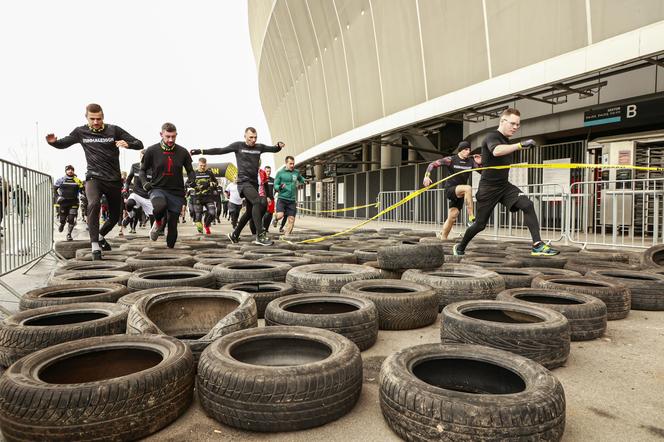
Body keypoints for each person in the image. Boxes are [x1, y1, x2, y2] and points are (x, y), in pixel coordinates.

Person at [452, 108, 559, 257]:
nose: (515, 127)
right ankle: (460, 247)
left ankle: (537, 245)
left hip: (504, 186)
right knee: (480, 225)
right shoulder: (492, 136)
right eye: (513, 123)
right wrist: (520, 145)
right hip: (488, 188)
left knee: (527, 205)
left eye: (518, 125)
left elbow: (495, 155)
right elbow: (496, 151)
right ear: (502, 121)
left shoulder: (506, 141)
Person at [46, 103, 143, 260]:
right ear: (87, 118)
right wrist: (53, 142)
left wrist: (129, 144)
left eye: (99, 118)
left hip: (113, 179)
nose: (96, 122)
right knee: (93, 204)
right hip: (93, 177)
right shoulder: (80, 131)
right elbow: (63, 143)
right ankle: (95, 247)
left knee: (114, 217)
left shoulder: (114, 130)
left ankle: (99, 236)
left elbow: (139, 143)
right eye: (92, 119)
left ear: (103, 116)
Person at [190, 127, 284, 246]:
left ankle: (235, 234)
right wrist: (200, 151)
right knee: (257, 201)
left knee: (250, 211)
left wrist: (279, 146)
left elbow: (273, 149)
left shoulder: (259, 148)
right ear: (245, 136)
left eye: (255, 137)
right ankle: (260, 235)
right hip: (243, 182)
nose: (253, 140)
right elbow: (220, 150)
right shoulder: (238, 146)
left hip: (253, 183)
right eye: (251, 137)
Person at [140, 122, 195, 248]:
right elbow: (142, 170)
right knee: (159, 207)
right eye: (167, 136)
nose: (170, 140)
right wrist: (144, 183)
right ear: (161, 134)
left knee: (172, 225)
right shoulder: (152, 150)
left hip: (176, 191)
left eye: (173, 137)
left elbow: (191, 171)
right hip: (158, 188)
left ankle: (170, 252)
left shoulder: (182, 152)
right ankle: (158, 223)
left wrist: (191, 181)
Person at [423, 141, 481, 239]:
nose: (468, 152)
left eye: (469, 150)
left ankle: (443, 238)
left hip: (461, 193)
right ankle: (471, 218)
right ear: (460, 150)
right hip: (451, 189)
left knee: (452, 216)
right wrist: (426, 176)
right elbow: (432, 164)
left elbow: (482, 172)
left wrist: (480, 163)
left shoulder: (471, 162)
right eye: (466, 149)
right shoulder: (451, 160)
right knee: (468, 188)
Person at [123, 150, 154, 233]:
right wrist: (125, 188)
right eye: (142, 156)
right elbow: (129, 178)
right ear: (140, 156)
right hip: (136, 194)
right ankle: (130, 216)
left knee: (153, 223)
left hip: (148, 197)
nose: (143, 158)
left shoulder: (153, 168)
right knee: (129, 204)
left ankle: (153, 236)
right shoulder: (135, 166)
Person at [272, 155, 305, 235]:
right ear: (286, 163)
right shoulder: (280, 173)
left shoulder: (296, 172)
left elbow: (301, 179)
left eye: (293, 163)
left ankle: (286, 237)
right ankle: (275, 218)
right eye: (290, 164)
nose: (292, 165)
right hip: (282, 198)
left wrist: (304, 181)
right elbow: (275, 185)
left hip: (292, 200)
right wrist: (279, 187)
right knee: (280, 215)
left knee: (291, 219)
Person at [53, 165, 84, 241]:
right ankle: (62, 224)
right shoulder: (61, 180)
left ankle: (69, 234)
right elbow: (54, 190)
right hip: (63, 202)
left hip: (73, 202)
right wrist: (58, 197)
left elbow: (82, 190)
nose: (70, 171)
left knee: (71, 219)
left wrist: (83, 194)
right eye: (68, 170)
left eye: (72, 170)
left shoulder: (78, 180)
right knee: (62, 219)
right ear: (66, 171)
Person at [192, 157, 218, 235]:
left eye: (204, 165)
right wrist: (195, 186)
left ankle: (206, 225)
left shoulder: (209, 172)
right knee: (198, 217)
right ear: (198, 164)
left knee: (213, 213)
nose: (203, 167)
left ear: (206, 165)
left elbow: (216, 182)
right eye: (201, 165)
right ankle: (200, 232)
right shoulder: (194, 173)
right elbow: (187, 183)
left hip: (208, 197)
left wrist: (213, 184)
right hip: (198, 197)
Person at [262, 165, 275, 232]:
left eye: (269, 171)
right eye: (267, 171)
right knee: (265, 214)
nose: (268, 173)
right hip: (263, 199)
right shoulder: (261, 179)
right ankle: (262, 228)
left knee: (270, 214)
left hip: (271, 200)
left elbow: (276, 189)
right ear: (264, 171)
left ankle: (266, 229)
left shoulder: (273, 180)